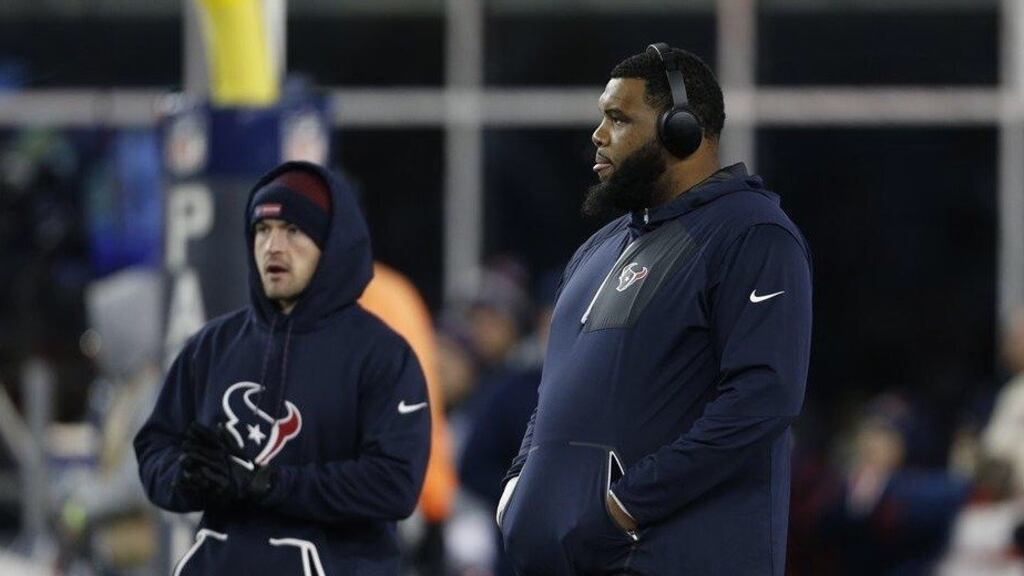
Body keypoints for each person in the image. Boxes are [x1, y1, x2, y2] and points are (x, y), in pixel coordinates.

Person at [496, 44, 813, 575]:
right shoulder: (597, 249)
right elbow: (554, 390)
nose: (598, 135)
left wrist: (624, 506)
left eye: (618, 118)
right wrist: (519, 488)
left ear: (681, 129)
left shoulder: (752, 234)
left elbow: (762, 400)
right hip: (576, 559)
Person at [134, 161, 431, 575]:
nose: (273, 246)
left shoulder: (382, 355)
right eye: (262, 230)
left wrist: (269, 484)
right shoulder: (211, 346)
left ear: (332, 243)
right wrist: (185, 478)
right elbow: (154, 445)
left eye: (293, 230)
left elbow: (393, 484)